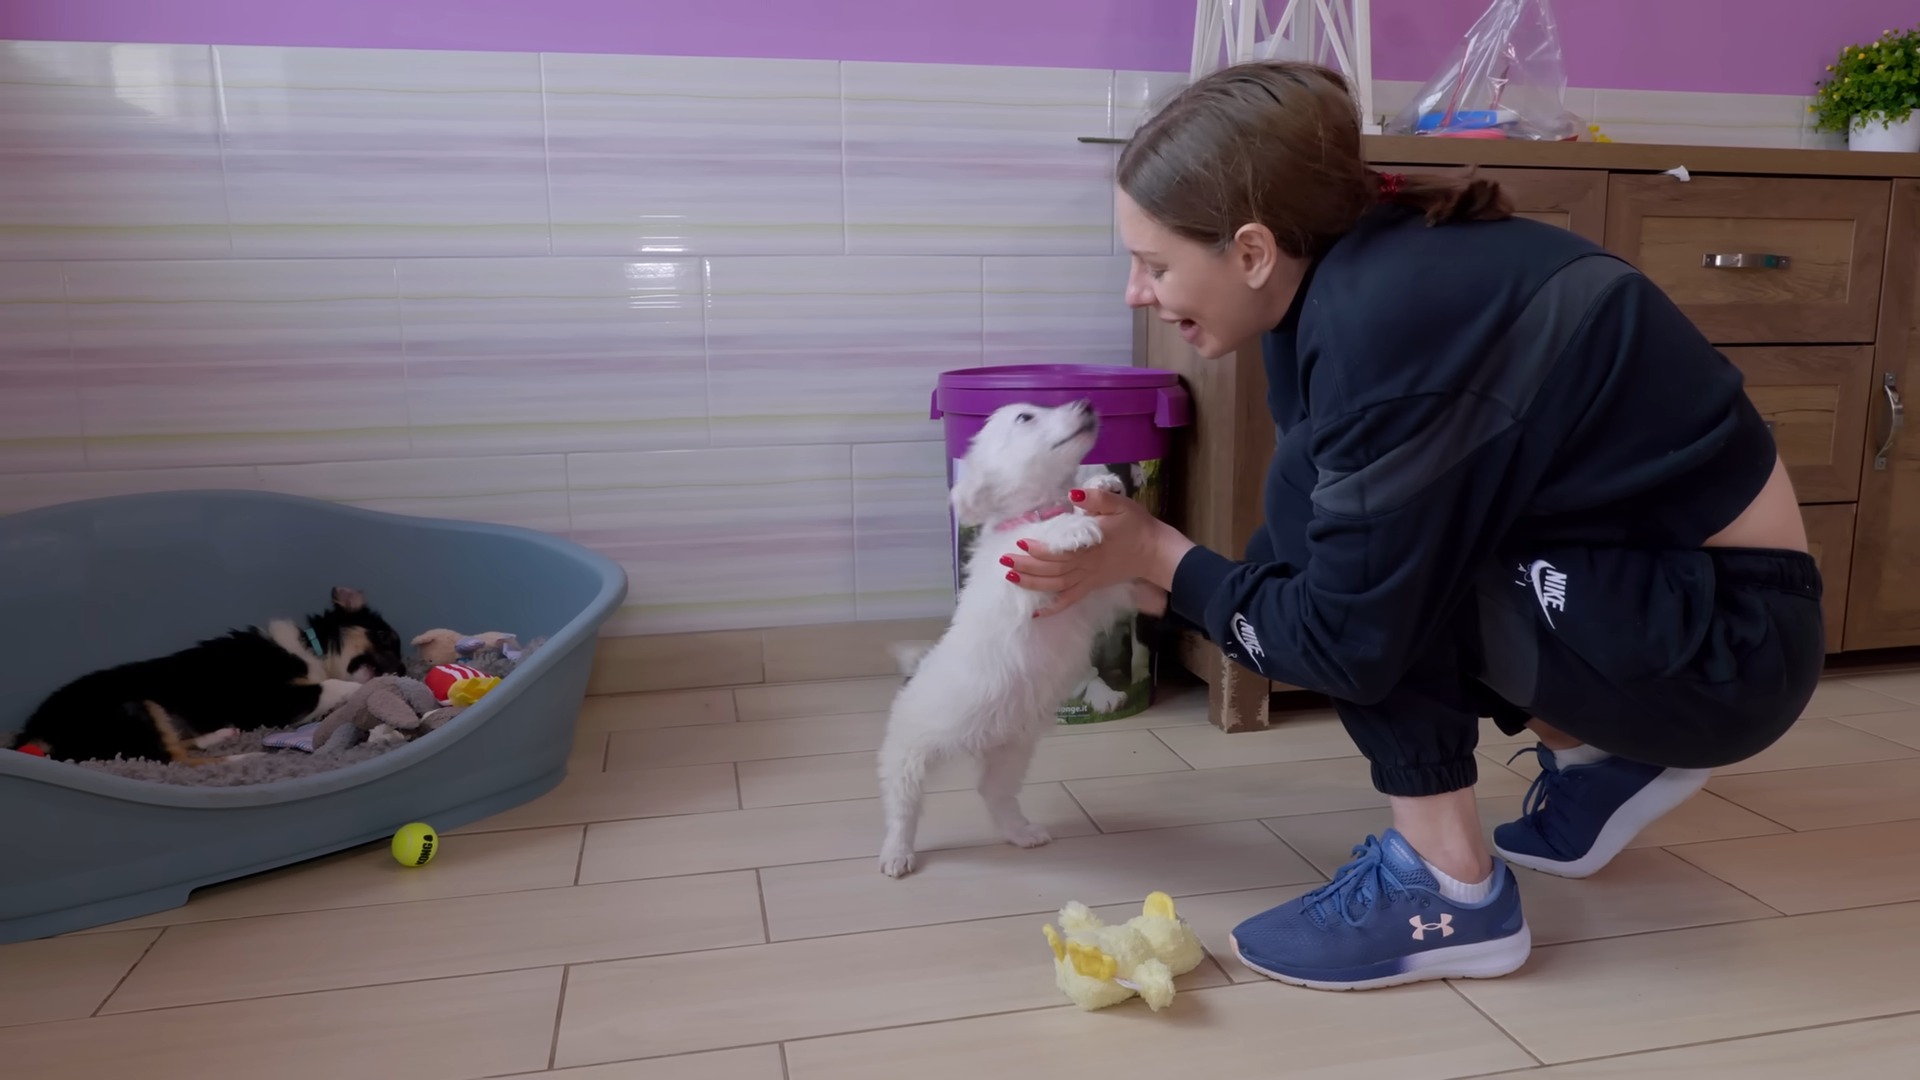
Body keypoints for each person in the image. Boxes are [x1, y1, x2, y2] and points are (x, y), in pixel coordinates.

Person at [1001, 60, 1824, 992]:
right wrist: (1179, 588)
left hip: (1732, 648)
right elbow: (1299, 550)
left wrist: (1167, 556)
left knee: (1375, 579)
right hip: (1664, 594)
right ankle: (1609, 756)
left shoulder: (1386, 324)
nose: (1136, 294)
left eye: (1154, 265)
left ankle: (1451, 892)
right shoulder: (1349, 278)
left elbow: (1345, 633)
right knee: (1330, 520)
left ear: (1254, 250)